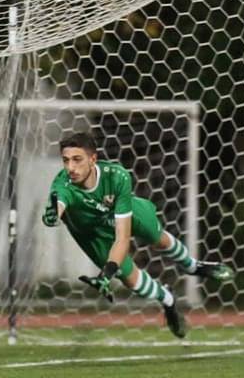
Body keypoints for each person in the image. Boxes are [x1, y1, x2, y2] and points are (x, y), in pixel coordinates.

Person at [41, 131, 233, 338]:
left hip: (121, 214)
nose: (70, 167)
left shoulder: (117, 176)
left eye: (77, 160)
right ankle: (168, 299)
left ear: (93, 159)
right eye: (66, 160)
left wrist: (107, 273)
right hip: (91, 232)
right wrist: (52, 217)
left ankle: (193, 266)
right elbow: (57, 205)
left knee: (155, 235)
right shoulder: (62, 185)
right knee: (130, 279)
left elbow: (122, 238)